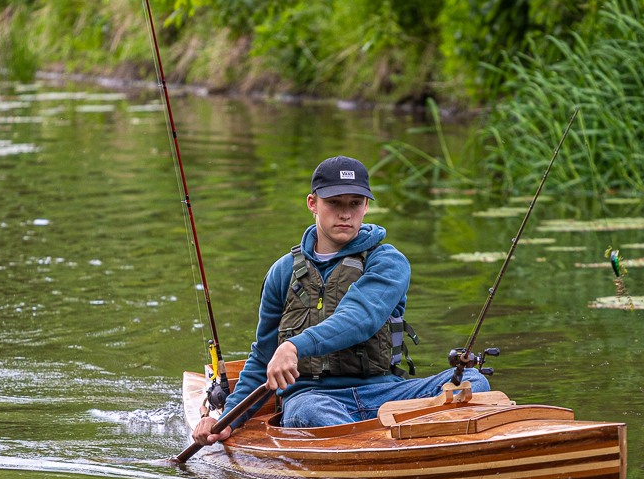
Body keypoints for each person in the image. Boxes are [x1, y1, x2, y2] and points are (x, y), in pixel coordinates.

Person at [191, 155, 489, 444]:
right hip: (311, 399)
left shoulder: (388, 261)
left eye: (354, 204)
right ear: (313, 203)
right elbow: (262, 360)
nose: (345, 213)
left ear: (366, 206)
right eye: (334, 203)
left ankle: (383, 441)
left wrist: (294, 345)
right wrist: (227, 419)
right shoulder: (283, 273)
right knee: (311, 412)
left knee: (473, 382)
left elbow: (360, 317)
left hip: (385, 394)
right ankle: (377, 447)